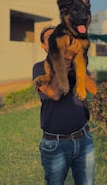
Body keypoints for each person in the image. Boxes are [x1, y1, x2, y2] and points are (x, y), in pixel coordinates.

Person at [32, 26, 97, 185]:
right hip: (55, 144)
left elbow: (93, 89)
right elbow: (54, 94)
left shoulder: (76, 62)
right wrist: (66, 58)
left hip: (84, 139)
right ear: (43, 46)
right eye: (49, 37)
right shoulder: (40, 68)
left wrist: (77, 67)